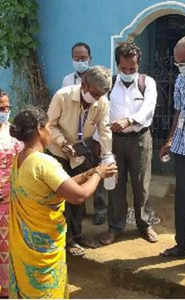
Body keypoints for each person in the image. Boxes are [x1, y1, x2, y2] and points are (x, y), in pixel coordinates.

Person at [8, 106, 117, 298]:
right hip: (43, 250)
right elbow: (79, 196)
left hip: (25, 248)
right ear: (40, 129)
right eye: (49, 127)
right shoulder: (44, 163)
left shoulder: (20, 159)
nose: (50, 131)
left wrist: (88, 173)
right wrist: (99, 174)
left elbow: (58, 187)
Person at [47, 65, 113, 255]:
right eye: (95, 93)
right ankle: (61, 240)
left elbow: (105, 129)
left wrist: (108, 156)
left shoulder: (102, 102)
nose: (97, 98)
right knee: (59, 198)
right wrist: (62, 142)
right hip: (58, 153)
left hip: (80, 154)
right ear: (84, 85)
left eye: (102, 94)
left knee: (77, 198)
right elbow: (49, 125)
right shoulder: (63, 96)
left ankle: (76, 237)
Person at [99, 42, 158, 245]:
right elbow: (101, 111)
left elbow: (148, 108)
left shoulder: (147, 82)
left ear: (138, 65)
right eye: (123, 68)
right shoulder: (110, 84)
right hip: (114, 142)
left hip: (140, 139)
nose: (128, 72)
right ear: (117, 65)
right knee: (114, 184)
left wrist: (129, 120)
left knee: (141, 183)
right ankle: (115, 227)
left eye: (132, 68)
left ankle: (145, 224)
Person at [159, 36, 185, 258]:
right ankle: (184, 246)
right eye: (178, 63)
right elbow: (178, 112)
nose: (181, 67)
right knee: (183, 202)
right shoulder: (181, 80)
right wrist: (169, 140)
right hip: (183, 149)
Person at [62, 42, 107, 226]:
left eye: (83, 58)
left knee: (97, 171)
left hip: (92, 135)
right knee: (78, 173)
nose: (80, 61)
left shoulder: (99, 79)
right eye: (76, 58)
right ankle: (78, 211)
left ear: (90, 58)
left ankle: (100, 210)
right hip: (74, 138)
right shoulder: (67, 80)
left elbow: (103, 112)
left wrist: (97, 140)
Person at [0, 90, 23, 297]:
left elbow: (21, 163)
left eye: (8, 108)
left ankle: (7, 290)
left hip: (10, 198)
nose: (5, 112)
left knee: (8, 245)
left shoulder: (14, 132)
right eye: (1, 108)